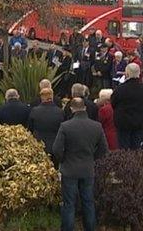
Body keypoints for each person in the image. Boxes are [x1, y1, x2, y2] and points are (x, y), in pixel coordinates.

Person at [53, 98, 109, 231]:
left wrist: (63, 159)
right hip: (88, 169)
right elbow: (104, 149)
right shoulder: (96, 126)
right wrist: (92, 158)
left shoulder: (65, 126)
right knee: (88, 202)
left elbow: (56, 149)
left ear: (72, 109)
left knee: (69, 204)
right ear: (85, 108)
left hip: (69, 169)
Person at [111, 63, 143, 150]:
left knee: (123, 148)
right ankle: (135, 163)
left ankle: (125, 163)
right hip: (139, 122)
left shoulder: (120, 89)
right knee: (136, 148)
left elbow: (113, 102)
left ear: (127, 74)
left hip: (123, 122)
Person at [28, 88, 64, 155]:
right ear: (52, 96)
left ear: (41, 97)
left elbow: (30, 128)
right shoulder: (60, 112)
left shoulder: (34, 111)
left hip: (39, 145)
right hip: (55, 145)